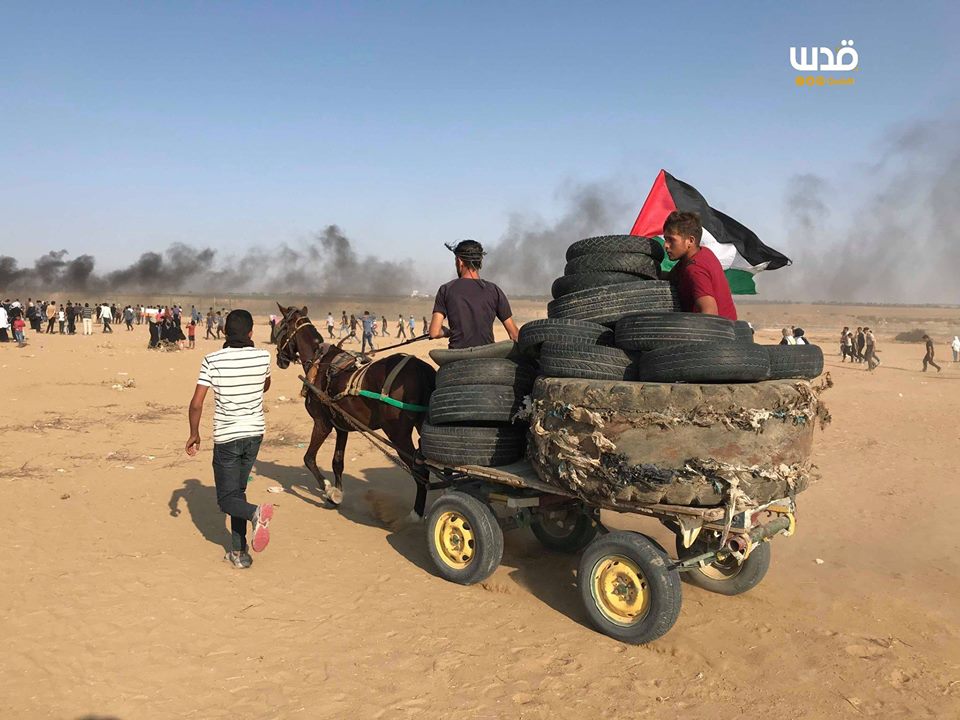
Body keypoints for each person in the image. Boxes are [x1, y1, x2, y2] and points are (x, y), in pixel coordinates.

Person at [185, 309, 275, 569]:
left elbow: (196, 403)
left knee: (226, 500)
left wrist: (194, 433)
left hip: (227, 436)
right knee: (238, 491)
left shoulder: (212, 360)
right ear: (250, 333)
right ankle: (239, 552)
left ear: (224, 332)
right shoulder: (263, 356)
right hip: (254, 433)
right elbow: (265, 386)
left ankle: (255, 513)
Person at [429, 239, 519, 348]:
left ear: (459, 261)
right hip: (487, 355)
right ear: (479, 262)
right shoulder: (494, 290)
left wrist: (447, 332)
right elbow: (514, 334)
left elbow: (434, 332)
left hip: (456, 357)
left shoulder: (446, 289)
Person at [663, 211, 737, 320]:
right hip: (727, 331)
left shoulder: (695, 269)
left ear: (690, 241)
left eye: (671, 240)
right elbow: (669, 277)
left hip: (716, 333)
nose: (666, 245)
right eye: (665, 239)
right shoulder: (702, 253)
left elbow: (709, 313)